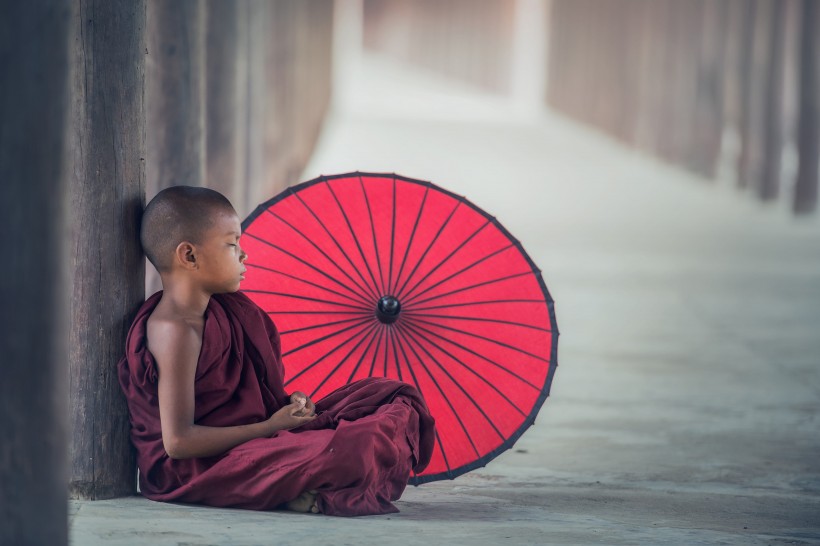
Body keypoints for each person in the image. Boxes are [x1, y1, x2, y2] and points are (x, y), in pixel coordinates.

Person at [118, 186, 435, 516]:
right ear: (189, 256)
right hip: (197, 469)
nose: (243, 255)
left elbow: (253, 399)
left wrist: (289, 407)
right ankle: (292, 488)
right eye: (231, 244)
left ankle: (293, 485)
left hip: (249, 440)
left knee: (391, 395)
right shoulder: (175, 331)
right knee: (359, 445)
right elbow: (178, 443)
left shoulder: (223, 310)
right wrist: (271, 426)